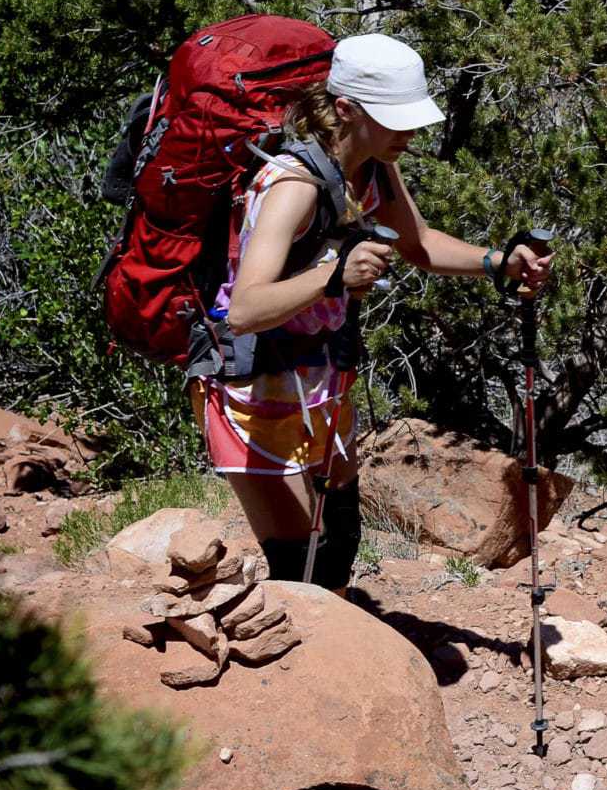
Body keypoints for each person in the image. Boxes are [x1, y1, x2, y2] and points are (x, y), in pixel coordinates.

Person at [187, 32, 549, 591]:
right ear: (345, 108)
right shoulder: (292, 185)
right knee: (299, 565)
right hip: (252, 390)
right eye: (392, 117)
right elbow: (245, 309)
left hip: (321, 381)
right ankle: (297, 671)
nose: (407, 130)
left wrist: (498, 262)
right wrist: (335, 275)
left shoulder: (376, 166)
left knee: (339, 544)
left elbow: (419, 243)